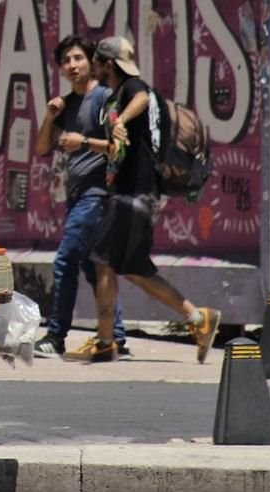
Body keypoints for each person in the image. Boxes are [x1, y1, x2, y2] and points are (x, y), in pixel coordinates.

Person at [64, 36, 220, 363]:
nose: (93, 67)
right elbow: (115, 148)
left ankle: (106, 340)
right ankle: (198, 318)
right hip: (135, 194)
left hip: (131, 194)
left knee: (103, 261)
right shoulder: (120, 97)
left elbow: (143, 98)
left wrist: (119, 119)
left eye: (97, 62)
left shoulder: (132, 88)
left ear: (108, 64)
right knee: (135, 269)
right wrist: (89, 141)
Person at [32, 35, 129, 359]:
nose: (72, 65)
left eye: (78, 58)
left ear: (90, 61)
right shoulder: (66, 104)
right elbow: (42, 148)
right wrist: (49, 115)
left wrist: (84, 141)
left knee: (66, 260)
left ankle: (56, 336)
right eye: (66, 61)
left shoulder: (104, 98)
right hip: (77, 196)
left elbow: (119, 146)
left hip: (97, 193)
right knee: (93, 267)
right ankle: (116, 338)